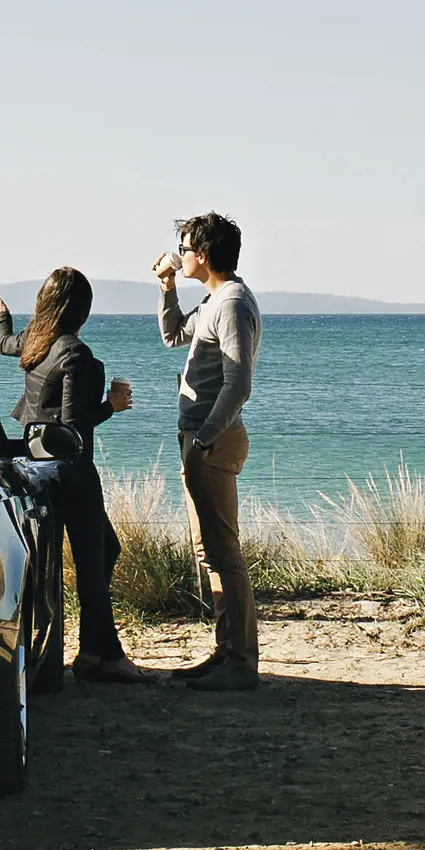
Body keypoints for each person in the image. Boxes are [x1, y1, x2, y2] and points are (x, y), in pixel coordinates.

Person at [0, 267, 151, 686]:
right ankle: (102, 656)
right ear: (83, 310)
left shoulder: (35, 342)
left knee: (90, 555)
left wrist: (0, 315)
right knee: (95, 561)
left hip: (33, 468)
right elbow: (75, 426)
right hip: (70, 471)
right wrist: (112, 404)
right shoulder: (74, 354)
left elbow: (6, 344)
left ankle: (89, 653)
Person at [155, 210, 262, 691]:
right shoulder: (214, 300)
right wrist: (167, 289)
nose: (178, 255)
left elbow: (238, 384)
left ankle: (240, 662)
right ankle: (226, 652)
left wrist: (204, 440)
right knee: (211, 552)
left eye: (184, 247)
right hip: (200, 439)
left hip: (211, 441)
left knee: (223, 551)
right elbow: (173, 335)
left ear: (203, 255)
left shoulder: (233, 303)